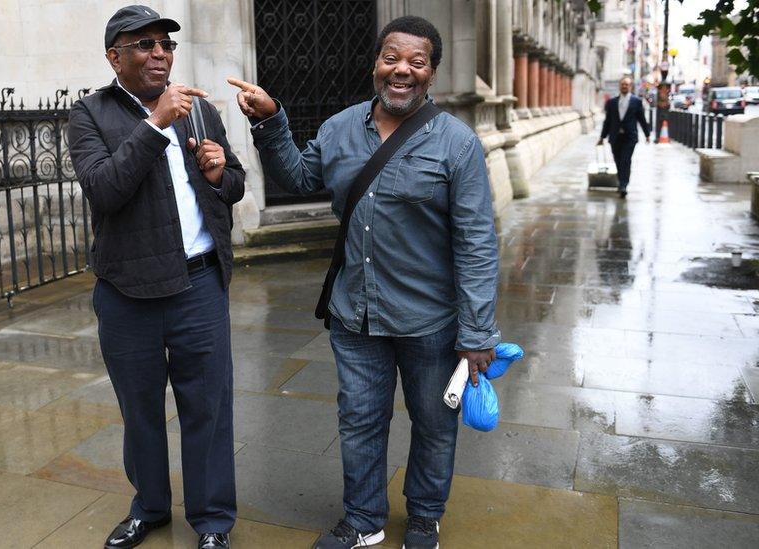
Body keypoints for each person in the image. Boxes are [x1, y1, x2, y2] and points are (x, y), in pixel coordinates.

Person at [229, 15, 500, 549]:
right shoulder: (339, 128)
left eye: (416, 62)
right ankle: (363, 519)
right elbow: (301, 177)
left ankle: (424, 518)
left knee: (434, 426)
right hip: (356, 315)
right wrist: (270, 121)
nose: (402, 70)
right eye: (391, 58)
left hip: (431, 322)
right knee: (358, 421)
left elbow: (477, 243)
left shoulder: (458, 144)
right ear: (375, 64)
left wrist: (478, 332)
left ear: (432, 73)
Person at [67, 5, 244, 549]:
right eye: (143, 45)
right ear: (113, 57)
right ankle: (149, 506)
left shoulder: (198, 110)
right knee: (140, 410)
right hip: (128, 294)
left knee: (208, 408)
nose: (159, 54)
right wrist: (154, 125)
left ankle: (212, 521)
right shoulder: (90, 114)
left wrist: (220, 174)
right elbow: (104, 189)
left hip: (199, 286)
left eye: (164, 45)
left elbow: (232, 182)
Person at [597, 76, 651, 198]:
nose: (624, 86)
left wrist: (647, 134)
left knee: (626, 160)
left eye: (626, 84)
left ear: (630, 86)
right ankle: (621, 181)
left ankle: (623, 185)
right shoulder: (611, 102)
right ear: (619, 86)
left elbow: (641, 119)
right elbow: (608, 121)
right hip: (615, 137)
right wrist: (602, 137)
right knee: (617, 160)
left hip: (630, 137)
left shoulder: (636, 102)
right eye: (622, 84)